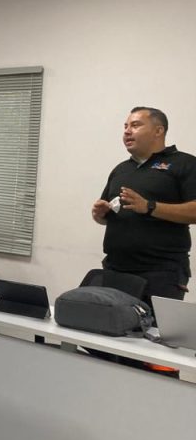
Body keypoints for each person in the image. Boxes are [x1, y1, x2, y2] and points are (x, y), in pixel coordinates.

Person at [92, 106, 196, 301]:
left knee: (154, 323)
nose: (127, 131)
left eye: (135, 125)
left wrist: (150, 206)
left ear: (158, 131)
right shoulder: (121, 169)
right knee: (109, 321)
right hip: (115, 269)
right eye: (125, 126)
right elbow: (109, 216)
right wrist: (101, 215)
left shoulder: (185, 164)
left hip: (161, 273)